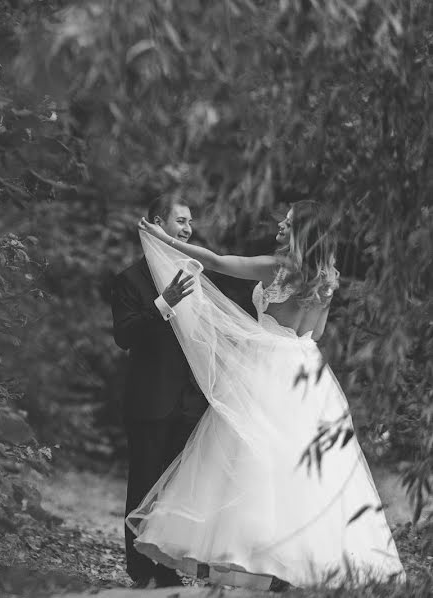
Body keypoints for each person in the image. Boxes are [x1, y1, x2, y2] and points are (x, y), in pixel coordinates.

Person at [129, 200, 405, 589]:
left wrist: (163, 239)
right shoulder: (327, 279)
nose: (280, 225)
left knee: (249, 455)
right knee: (300, 464)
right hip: (306, 369)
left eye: (288, 223)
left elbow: (217, 260)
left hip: (269, 366)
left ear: (302, 233)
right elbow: (318, 334)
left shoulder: (280, 268)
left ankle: (249, 553)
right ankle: (296, 564)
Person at [109, 193, 204, 588]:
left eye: (189, 222)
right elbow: (125, 335)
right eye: (180, 221)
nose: (188, 228)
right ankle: (140, 570)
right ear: (157, 223)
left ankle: (165, 566)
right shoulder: (129, 279)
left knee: (175, 492)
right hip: (149, 400)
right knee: (144, 485)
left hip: (188, 403)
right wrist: (163, 303)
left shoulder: (194, 273)